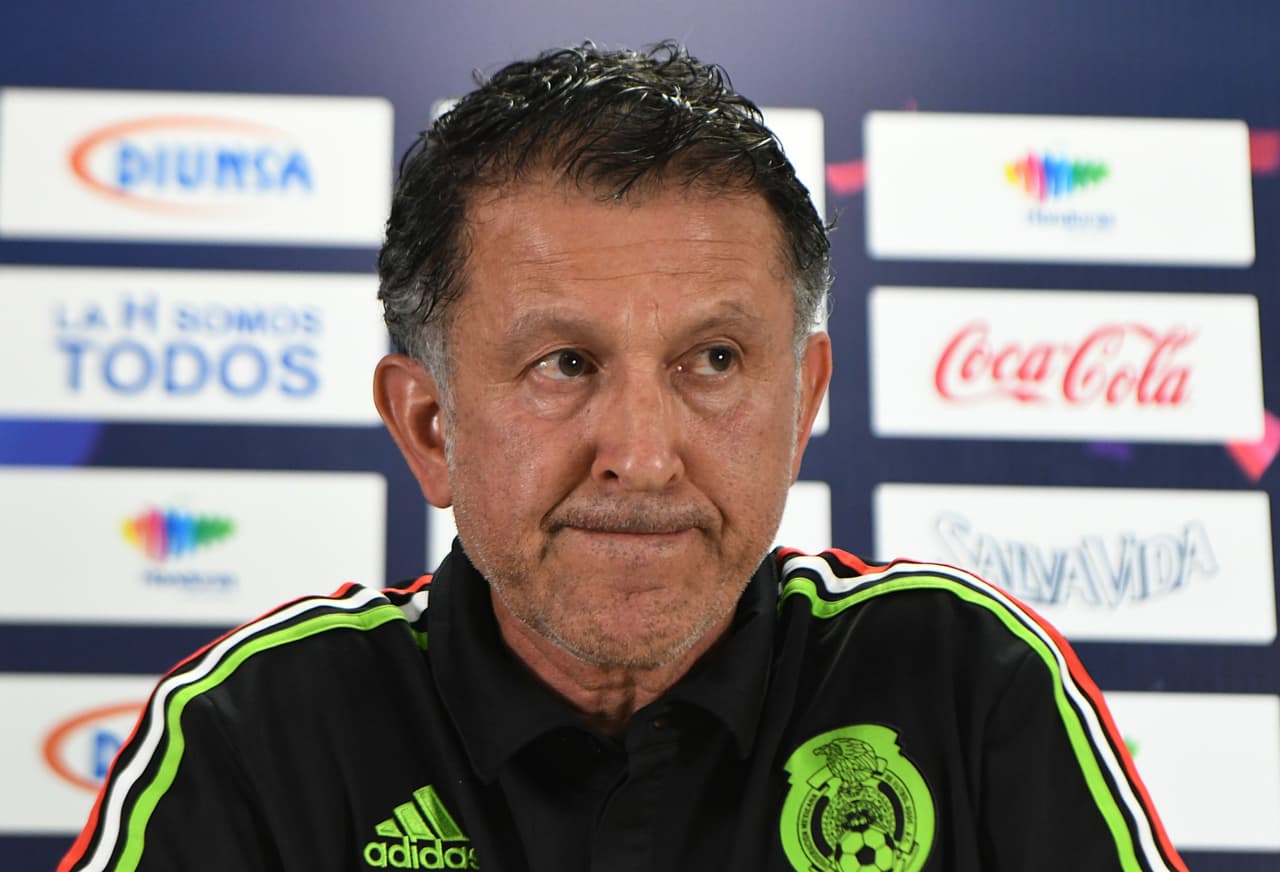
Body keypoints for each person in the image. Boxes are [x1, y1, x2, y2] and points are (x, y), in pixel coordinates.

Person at [62, 42, 1186, 872]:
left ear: (801, 404)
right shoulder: (251, 732)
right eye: (561, 362)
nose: (642, 457)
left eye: (710, 356)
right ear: (428, 427)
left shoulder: (965, 681)